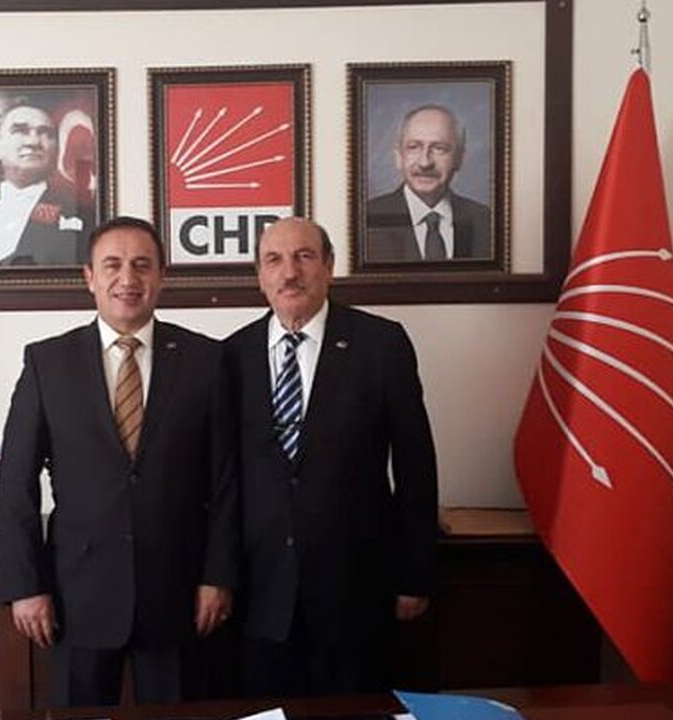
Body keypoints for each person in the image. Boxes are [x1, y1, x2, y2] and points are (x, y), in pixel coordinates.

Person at [0, 216, 238, 706]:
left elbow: (226, 483)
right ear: (89, 277)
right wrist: (25, 586)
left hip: (179, 596)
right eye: (113, 265)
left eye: (142, 265)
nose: (128, 278)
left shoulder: (206, 361)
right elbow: (15, 484)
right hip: (76, 598)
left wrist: (218, 577)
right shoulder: (47, 363)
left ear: (162, 276)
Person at [225, 217, 439, 696]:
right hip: (260, 593)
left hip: (356, 589)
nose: (289, 273)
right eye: (274, 260)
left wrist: (415, 575)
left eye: (304, 256)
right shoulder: (232, 355)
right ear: (259, 275)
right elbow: (223, 480)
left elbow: (416, 467)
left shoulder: (381, 345)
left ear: (329, 266)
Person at [365, 104, 492, 262]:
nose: (425, 163)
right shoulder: (367, 219)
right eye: (414, 147)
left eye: (439, 148)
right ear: (398, 156)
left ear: (459, 158)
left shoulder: (486, 221)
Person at [0, 100, 92, 267]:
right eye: (20, 131)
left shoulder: (80, 212)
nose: (33, 142)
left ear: (56, 149)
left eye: (45, 133)